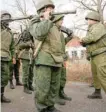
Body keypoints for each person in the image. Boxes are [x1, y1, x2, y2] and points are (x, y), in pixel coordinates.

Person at [29, 0, 64, 111]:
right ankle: (42, 108)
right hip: (44, 59)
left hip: (56, 60)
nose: (52, 11)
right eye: (49, 8)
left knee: (54, 87)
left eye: (52, 8)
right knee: (43, 88)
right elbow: (39, 34)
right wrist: (46, 19)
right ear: (42, 10)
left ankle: (50, 106)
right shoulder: (35, 22)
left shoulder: (54, 25)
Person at [79, 11, 106, 99]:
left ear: (94, 19)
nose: (87, 21)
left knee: (103, 75)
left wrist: (83, 40)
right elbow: (89, 42)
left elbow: (92, 38)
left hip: (101, 54)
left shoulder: (99, 26)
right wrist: (83, 43)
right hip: (94, 55)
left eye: (89, 19)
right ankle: (97, 92)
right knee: (95, 75)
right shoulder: (91, 28)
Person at [52, 14, 73, 105]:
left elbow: (62, 43)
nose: (62, 21)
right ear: (55, 20)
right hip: (56, 57)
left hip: (62, 57)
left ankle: (61, 93)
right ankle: (55, 96)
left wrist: (70, 35)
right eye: (60, 20)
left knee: (63, 77)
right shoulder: (52, 31)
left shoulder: (60, 32)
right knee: (56, 79)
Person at [1, 10, 16, 103]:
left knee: (4, 78)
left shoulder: (10, 33)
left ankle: (1, 96)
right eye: (5, 18)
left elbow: (12, 47)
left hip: (6, 57)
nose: (7, 21)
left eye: (8, 19)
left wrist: (13, 57)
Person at [18, 29, 34, 94]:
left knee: (31, 72)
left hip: (31, 56)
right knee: (26, 73)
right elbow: (20, 45)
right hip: (25, 56)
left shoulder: (32, 38)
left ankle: (30, 85)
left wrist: (32, 45)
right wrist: (28, 44)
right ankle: (25, 87)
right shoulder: (22, 38)